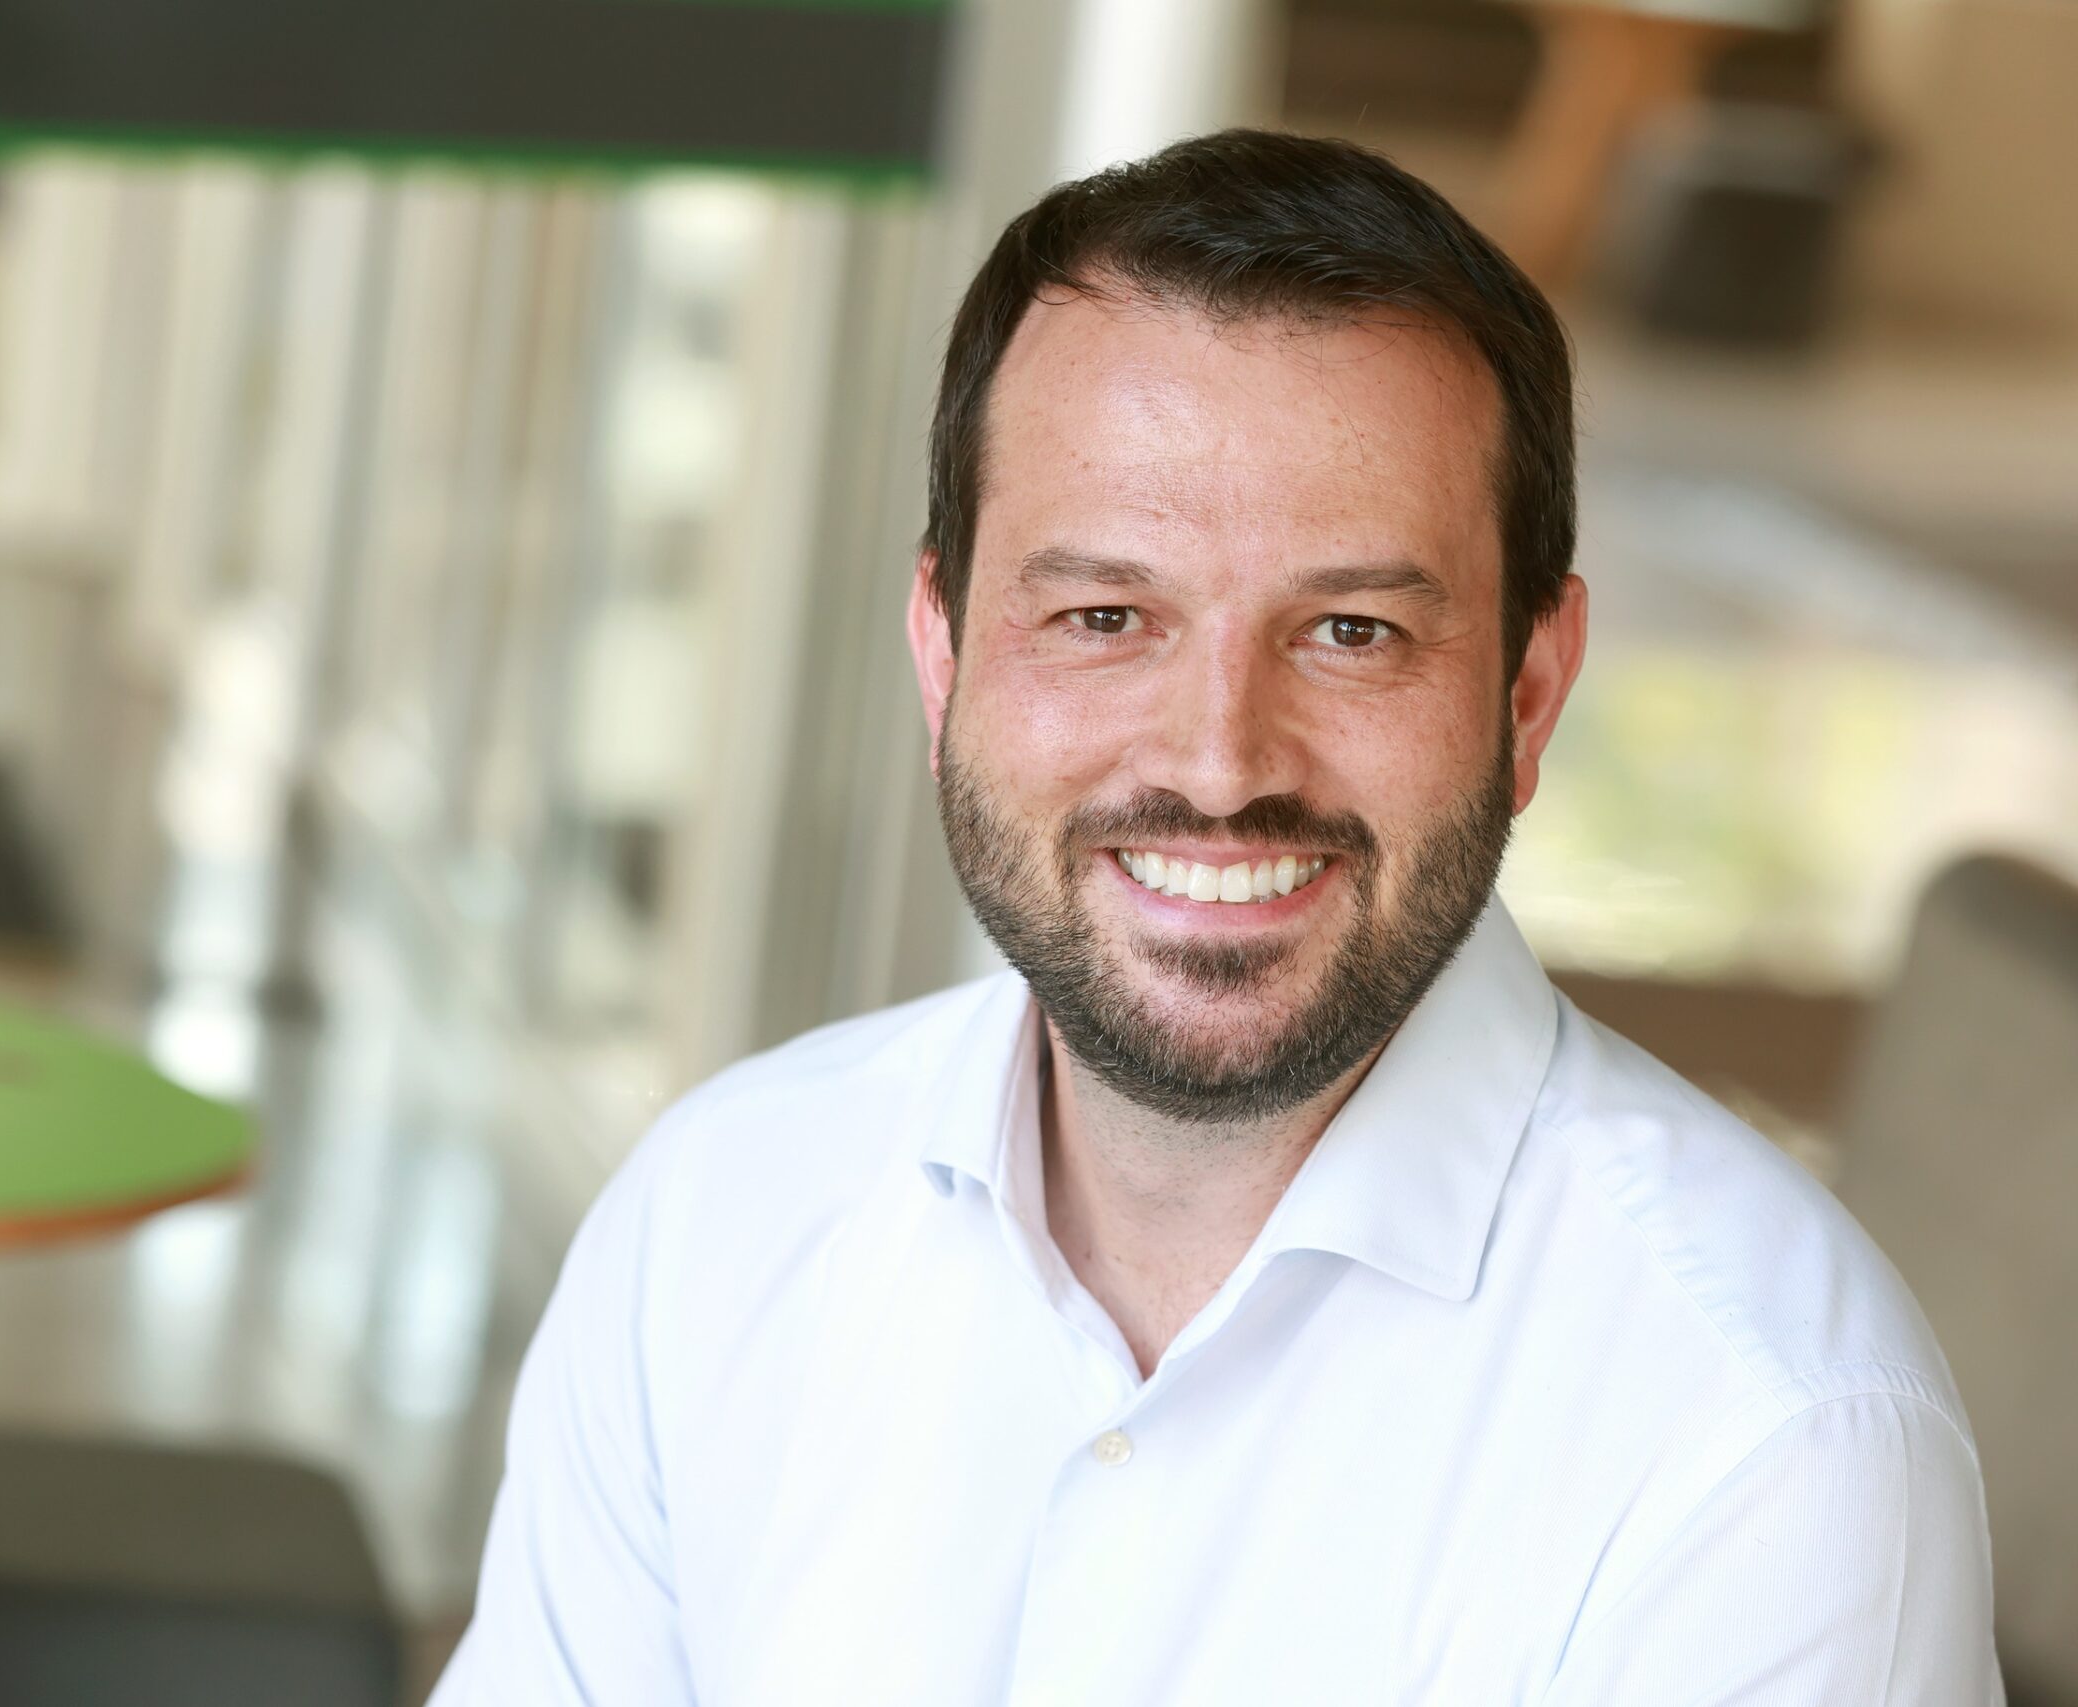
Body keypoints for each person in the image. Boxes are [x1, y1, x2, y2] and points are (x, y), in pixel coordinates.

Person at [431, 130, 2001, 1704]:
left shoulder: (1765, 1445)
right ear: (942, 653)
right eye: (1106, 617)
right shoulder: (719, 1219)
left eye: (1351, 631)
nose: (1220, 762)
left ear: (1530, 692)